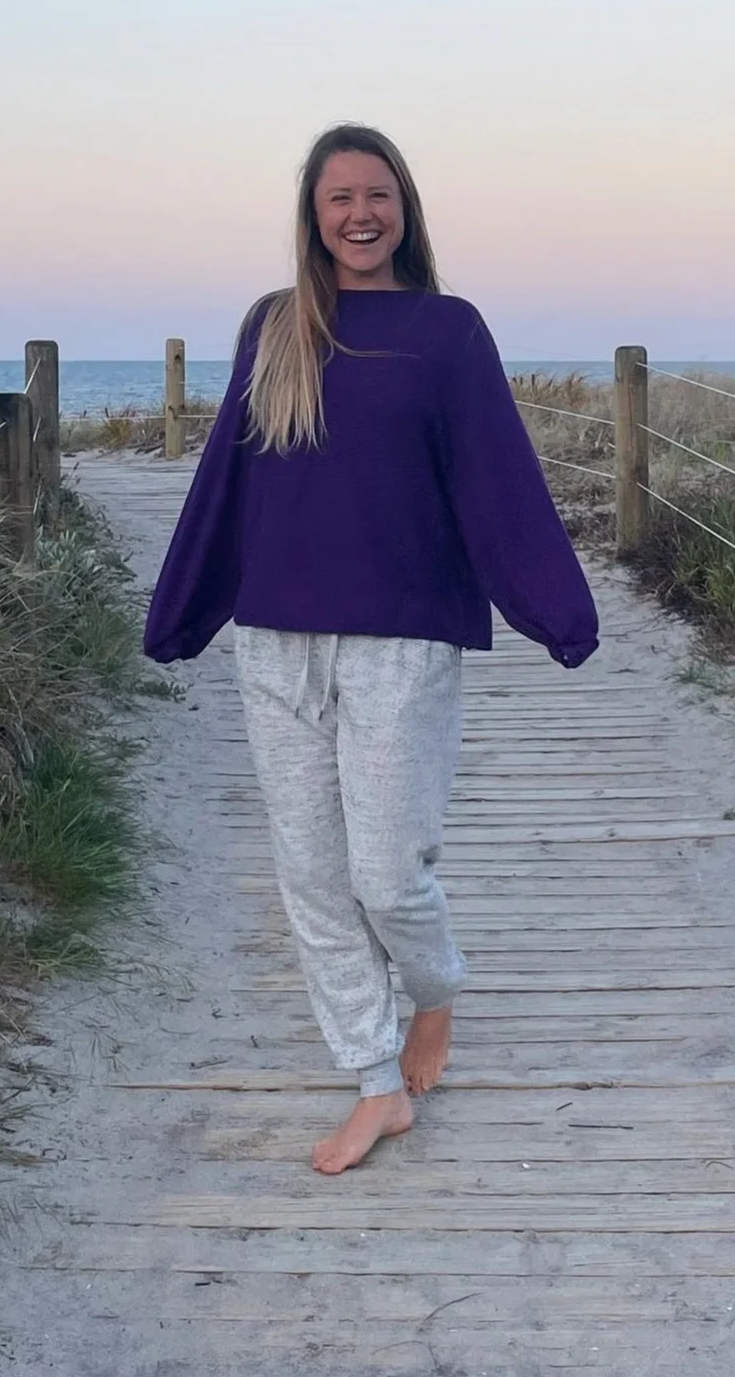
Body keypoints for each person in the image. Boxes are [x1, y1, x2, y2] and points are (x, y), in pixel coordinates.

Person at [144, 124, 598, 1173]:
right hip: (276, 641)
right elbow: (230, 477)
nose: (360, 214)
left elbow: (497, 479)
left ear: (405, 209)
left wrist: (555, 612)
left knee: (387, 874)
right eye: (339, 196)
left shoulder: (447, 331)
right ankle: (374, 1082)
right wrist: (183, 612)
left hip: (404, 638)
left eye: (378, 195)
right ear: (312, 213)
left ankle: (433, 991)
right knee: (310, 874)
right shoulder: (276, 327)